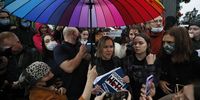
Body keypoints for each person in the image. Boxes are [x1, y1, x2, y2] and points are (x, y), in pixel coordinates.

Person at [156, 26, 200, 98]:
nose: (165, 46)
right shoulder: (162, 57)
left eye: (169, 42)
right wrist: (160, 81)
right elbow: (155, 74)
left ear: (181, 43)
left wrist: (191, 88)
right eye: (164, 42)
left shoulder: (193, 59)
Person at [0, 31, 39, 100]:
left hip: (30, 93)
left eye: (10, 47)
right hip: (10, 94)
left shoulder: (32, 52)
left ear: (18, 42)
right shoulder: (5, 56)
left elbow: (38, 73)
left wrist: (21, 83)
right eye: (5, 49)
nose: (8, 51)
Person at [54, 27, 90, 99]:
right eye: (78, 33)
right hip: (71, 90)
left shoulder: (79, 45)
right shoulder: (60, 48)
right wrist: (80, 53)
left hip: (85, 86)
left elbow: (88, 58)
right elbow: (69, 68)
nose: (79, 35)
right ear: (73, 34)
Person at [122, 33, 157, 100]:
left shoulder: (153, 59)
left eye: (141, 43)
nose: (137, 45)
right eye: (135, 43)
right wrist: (125, 78)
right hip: (130, 95)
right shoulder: (127, 59)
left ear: (148, 45)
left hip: (146, 96)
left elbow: (153, 83)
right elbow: (123, 77)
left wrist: (150, 66)